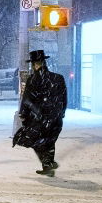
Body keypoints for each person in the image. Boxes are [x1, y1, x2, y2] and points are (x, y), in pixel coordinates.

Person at [16, 49, 67, 177]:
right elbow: (63, 98)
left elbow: (27, 99)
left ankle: (47, 163)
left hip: (39, 118)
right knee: (49, 141)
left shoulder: (33, 80)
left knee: (34, 141)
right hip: (55, 117)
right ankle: (48, 164)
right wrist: (61, 113)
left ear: (35, 64)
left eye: (34, 64)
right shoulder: (58, 78)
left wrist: (23, 114)